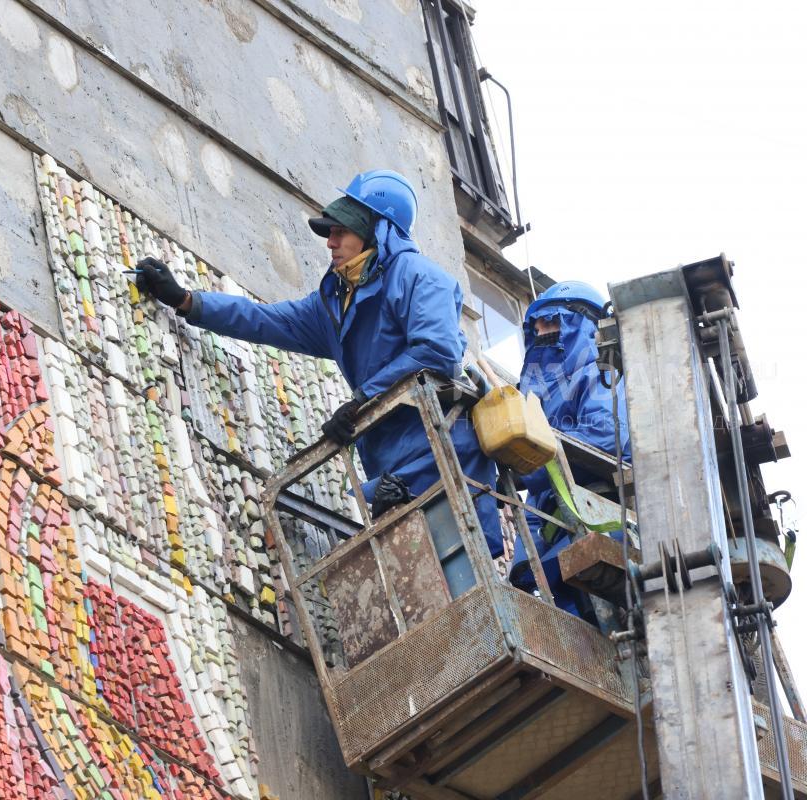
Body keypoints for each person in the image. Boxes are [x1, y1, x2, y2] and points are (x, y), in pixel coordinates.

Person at [131, 170, 502, 556]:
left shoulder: (420, 278)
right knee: (418, 577)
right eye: (330, 233)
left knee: (458, 568)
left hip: (441, 454)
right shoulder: (333, 303)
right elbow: (266, 319)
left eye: (341, 231)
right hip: (389, 465)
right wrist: (187, 300)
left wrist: (362, 400)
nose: (331, 242)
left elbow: (437, 351)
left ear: (376, 231)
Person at [508, 281, 632, 615]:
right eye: (535, 325)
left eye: (549, 321)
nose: (539, 329)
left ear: (580, 325)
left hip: (604, 518)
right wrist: (524, 560)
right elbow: (540, 498)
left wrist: (533, 454)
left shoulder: (602, 375)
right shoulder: (539, 399)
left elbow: (607, 435)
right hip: (559, 534)